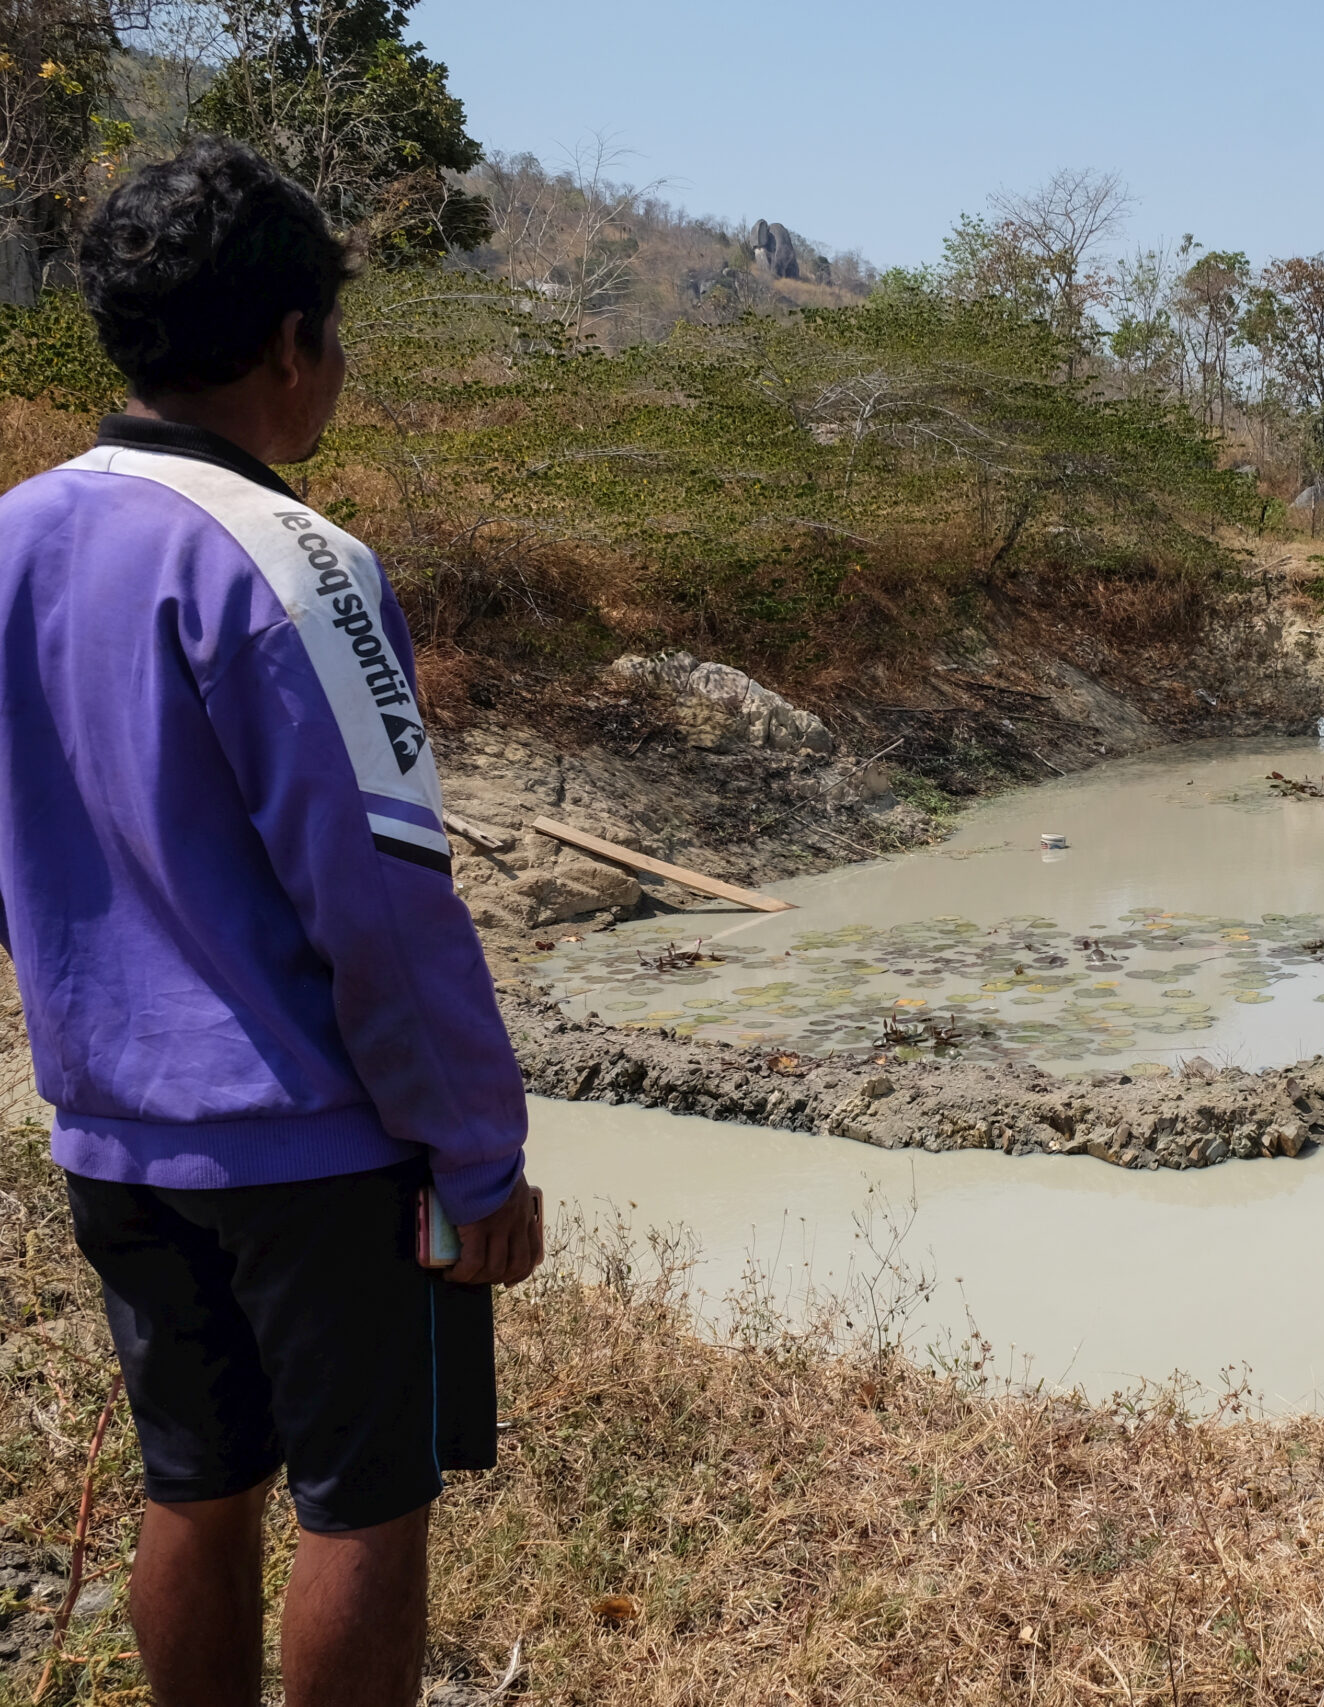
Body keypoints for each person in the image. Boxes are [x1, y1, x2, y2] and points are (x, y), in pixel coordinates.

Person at [0, 140, 538, 1706]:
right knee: (364, 1504)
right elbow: (385, 906)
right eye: (336, 341)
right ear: (292, 346)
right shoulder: (300, 564)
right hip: (309, 1147)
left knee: (194, 1480)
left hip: (109, 1135)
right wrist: (479, 1155)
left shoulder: (15, 536)